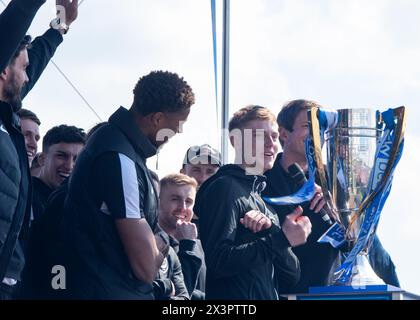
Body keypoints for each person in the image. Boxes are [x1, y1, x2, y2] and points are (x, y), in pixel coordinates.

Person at [60, 70, 195, 299]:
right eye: (178, 123)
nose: (179, 131)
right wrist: (164, 242)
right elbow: (145, 268)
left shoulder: (114, 143)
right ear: (158, 119)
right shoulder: (120, 157)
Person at [262, 99, 400, 293]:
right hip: (282, 293)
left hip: (330, 293)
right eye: (308, 126)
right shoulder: (262, 184)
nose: (317, 133)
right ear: (284, 133)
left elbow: (365, 245)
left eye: (321, 126)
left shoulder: (338, 183)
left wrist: (337, 215)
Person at [194, 105, 315, 300]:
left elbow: (291, 276)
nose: (270, 144)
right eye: (259, 136)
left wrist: (274, 233)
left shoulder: (264, 202)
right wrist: (281, 239)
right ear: (235, 141)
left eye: (274, 137)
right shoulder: (224, 188)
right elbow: (217, 262)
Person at [0, 0, 78, 299]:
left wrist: (60, 27)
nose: (29, 76)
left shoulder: (7, 117)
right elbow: (10, 27)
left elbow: (36, 57)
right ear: (4, 72)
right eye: (23, 68)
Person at [158, 173, 205, 300]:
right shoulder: (150, 243)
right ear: (158, 201)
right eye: (175, 199)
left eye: (189, 202)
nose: (183, 207)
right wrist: (187, 245)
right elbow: (182, 294)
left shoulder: (201, 246)